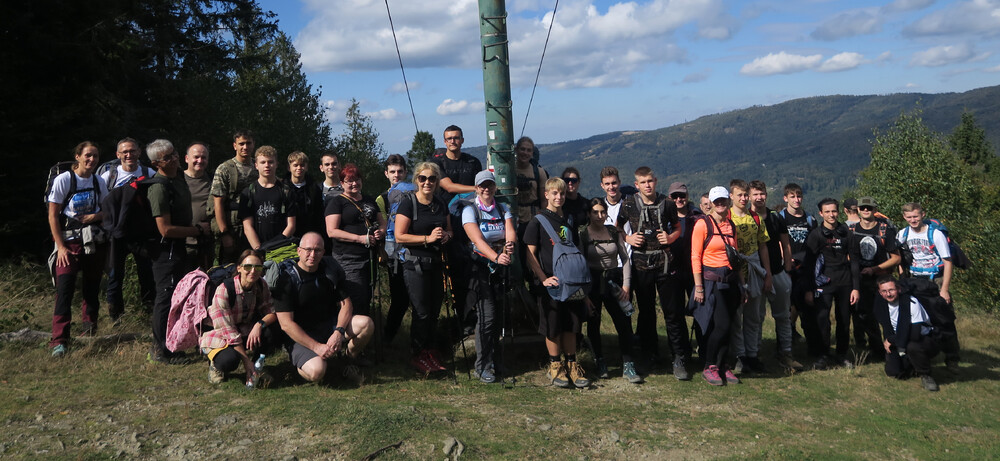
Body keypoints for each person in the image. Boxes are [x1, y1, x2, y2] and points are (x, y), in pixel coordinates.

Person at [616, 167, 689, 380]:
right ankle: (650, 353)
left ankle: (679, 357)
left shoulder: (667, 203)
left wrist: (672, 238)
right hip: (640, 265)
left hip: (665, 263)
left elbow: (677, 227)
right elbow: (617, 227)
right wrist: (628, 239)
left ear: (656, 181)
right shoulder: (629, 204)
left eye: (650, 181)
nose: (648, 185)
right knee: (646, 313)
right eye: (643, 182)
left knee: (672, 312)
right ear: (636, 184)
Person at [273, 232, 374, 383]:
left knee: (366, 324)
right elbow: (286, 324)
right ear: (299, 251)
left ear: (323, 252)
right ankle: (309, 362)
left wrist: (339, 332)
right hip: (302, 335)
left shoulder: (329, 271)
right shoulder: (286, 279)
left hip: (329, 327)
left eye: (317, 250)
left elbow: (346, 305)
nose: (312, 255)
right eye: (308, 250)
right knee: (317, 371)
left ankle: (347, 360)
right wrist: (316, 347)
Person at [146, 139, 212, 364]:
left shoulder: (177, 179)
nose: (174, 159)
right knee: (165, 297)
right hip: (165, 251)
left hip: (180, 248)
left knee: (179, 296)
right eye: (167, 157)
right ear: (156, 163)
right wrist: (195, 230)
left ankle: (175, 344)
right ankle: (161, 350)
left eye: (174, 154)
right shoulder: (158, 187)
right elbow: (164, 229)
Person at [524, 178, 592, 389]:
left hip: (572, 282)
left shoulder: (569, 221)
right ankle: (555, 365)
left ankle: (572, 363)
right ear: (546, 195)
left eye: (561, 194)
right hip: (551, 283)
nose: (558, 197)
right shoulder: (537, 221)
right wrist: (543, 278)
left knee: (572, 324)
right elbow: (529, 254)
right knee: (552, 326)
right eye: (554, 193)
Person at [46, 141, 110, 356]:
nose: (91, 160)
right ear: (77, 157)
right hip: (68, 243)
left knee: (92, 288)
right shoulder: (65, 180)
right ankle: (59, 340)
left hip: (93, 242)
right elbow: (53, 215)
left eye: (95, 156)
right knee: (64, 290)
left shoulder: (98, 180)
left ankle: (89, 331)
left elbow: (106, 211)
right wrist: (60, 247)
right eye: (88, 156)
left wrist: (95, 216)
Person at [394, 162, 453, 373]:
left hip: (436, 263)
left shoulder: (440, 203)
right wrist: (428, 238)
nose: (427, 182)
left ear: (437, 182)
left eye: (432, 179)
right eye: (423, 178)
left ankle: (429, 350)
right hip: (415, 264)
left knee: (435, 310)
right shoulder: (408, 203)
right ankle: (417, 353)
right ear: (416, 180)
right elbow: (400, 236)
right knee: (421, 312)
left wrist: (446, 236)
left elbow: (449, 231)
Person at [462, 170, 516, 383]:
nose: (486, 189)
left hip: (500, 268)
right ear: (476, 188)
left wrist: (509, 248)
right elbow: (477, 240)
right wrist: (496, 256)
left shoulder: (503, 208)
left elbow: (510, 232)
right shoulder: (470, 210)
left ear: (495, 188)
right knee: (487, 317)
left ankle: (494, 361)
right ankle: (482, 366)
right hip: (479, 270)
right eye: (482, 186)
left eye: (490, 185)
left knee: (499, 317)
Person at [580, 198, 641, 383]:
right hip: (593, 281)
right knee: (594, 322)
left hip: (614, 281)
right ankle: (599, 361)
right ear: (589, 214)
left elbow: (625, 257)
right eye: (595, 212)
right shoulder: (583, 234)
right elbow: (581, 265)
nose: (600, 216)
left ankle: (629, 364)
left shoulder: (613, 231)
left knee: (624, 323)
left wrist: (626, 285)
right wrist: (584, 295)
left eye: (603, 212)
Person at [430, 125, 482, 335]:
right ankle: (463, 319)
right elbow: (449, 187)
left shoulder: (472, 162)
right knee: (456, 274)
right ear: (444, 142)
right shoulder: (438, 162)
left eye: (456, 138)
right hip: (448, 224)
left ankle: (477, 315)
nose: (453, 141)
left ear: (462, 139)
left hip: (473, 222)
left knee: (476, 269)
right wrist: (477, 189)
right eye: (449, 138)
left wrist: (482, 190)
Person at [690, 186, 744, 386]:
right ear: (711, 203)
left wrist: (742, 284)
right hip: (712, 281)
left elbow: (736, 257)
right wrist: (699, 287)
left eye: (723, 201)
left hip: (731, 280)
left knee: (728, 326)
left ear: (728, 202)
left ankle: (723, 365)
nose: (721, 204)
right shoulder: (703, 224)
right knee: (720, 325)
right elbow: (695, 256)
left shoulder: (731, 226)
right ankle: (710, 365)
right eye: (717, 201)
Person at [896, 202, 960, 371]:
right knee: (920, 318)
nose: (913, 220)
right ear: (904, 217)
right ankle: (925, 353)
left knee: (944, 318)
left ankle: (952, 358)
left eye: (916, 216)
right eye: (909, 217)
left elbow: (947, 261)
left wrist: (944, 289)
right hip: (915, 279)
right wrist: (902, 278)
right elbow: (899, 257)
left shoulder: (935, 234)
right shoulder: (903, 234)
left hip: (935, 279)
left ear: (922, 214)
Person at [200, 249, 279, 385]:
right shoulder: (224, 290)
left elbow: (271, 312)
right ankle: (216, 365)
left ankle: (257, 368)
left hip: (243, 328)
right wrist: (246, 361)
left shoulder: (261, 284)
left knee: (272, 329)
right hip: (220, 333)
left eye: (258, 267)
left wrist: (259, 325)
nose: (253, 271)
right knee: (229, 361)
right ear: (239, 268)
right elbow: (228, 331)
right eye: (248, 267)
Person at [749, 181, 803, 371]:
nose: (759, 197)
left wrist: (787, 270)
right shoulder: (746, 218)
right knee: (756, 317)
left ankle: (785, 353)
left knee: (783, 316)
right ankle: (754, 354)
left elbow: (786, 244)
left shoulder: (775, 217)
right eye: (755, 194)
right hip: (755, 274)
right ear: (749, 196)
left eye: (762, 193)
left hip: (778, 272)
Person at [102, 137, 155, 323]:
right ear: (118, 155)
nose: (129, 155)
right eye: (124, 152)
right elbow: (103, 206)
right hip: (117, 235)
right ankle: (115, 317)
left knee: (147, 273)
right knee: (115, 274)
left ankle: (149, 313)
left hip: (142, 234)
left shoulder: (150, 173)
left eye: (132, 151)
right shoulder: (108, 177)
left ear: (139, 152)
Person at [804, 198, 860, 370]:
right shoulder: (816, 235)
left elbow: (855, 261)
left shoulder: (847, 233)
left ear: (839, 212)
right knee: (822, 319)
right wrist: (808, 289)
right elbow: (808, 264)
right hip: (824, 282)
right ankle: (823, 354)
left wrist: (856, 287)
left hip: (845, 282)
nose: (831, 215)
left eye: (834, 211)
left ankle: (841, 355)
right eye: (827, 212)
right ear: (821, 214)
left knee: (844, 319)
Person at [325, 163, 386, 316]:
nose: (354, 184)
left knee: (367, 295)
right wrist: (360, 238)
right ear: (342, 183)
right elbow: (332, 231)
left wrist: (381, 232)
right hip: (348, 259)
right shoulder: (336, 203)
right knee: (357, 298)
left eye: (357, 179)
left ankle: (364, 333)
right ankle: (353, 333)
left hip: (370, 257)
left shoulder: (369, 199)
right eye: (349, 181)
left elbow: (383, 222)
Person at [728, 179, 772, 375]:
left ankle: (753, 355)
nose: (744, 199)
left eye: (746, 195)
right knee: (736, 317)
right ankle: (740, 355)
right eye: (740, 195)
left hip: (754, 269)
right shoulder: (726, 217)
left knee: (753, 316)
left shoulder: (755, 218)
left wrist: (767, 273)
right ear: (732, 196)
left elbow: (763, 246)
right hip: (734, 272)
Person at [848, 196, 900, 361]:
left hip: (881, 279)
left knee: (886, 315)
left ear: (875, 210)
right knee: (866, 315)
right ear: (858, 210)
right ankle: (877, 350)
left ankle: (891, 347)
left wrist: (875, 269)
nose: (865, 210)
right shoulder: (852, 230)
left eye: (868, 208)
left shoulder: (885, 230)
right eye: (862, 208)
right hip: (860, 280)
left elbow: (896, 258)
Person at [873, 277, 940, 391]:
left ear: (898, 289)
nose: (888, 294)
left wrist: (892, 340)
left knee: (913, 346)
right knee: (893, 372)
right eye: (884, 291)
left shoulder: (911, 303)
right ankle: (911, 364)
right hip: (899, 337)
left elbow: (915, 334)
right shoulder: (880, 304)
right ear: (880, 292)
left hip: (923, 339)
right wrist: (890, 340)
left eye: (891, 290)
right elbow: (886, 326)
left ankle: (926, 375)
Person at [376, 155, 414, 343]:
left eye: (400, 171)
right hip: (393, 253)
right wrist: (382, 253)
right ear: (386, 174)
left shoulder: (414, 194)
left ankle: (418, 340)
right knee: (399, 299)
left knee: (417, 298)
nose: (396, 175)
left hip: (414, 249)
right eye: (392, 172)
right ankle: (389, 337)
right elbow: (381, 227)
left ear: (406, 172)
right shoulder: (382, 199)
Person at [776, 183, 817, 342]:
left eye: (799, 196)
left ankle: (810, 339)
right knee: (788, 303)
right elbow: (778, 241)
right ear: (785, 198)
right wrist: (786, 259)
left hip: (805, 267)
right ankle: (787, 336)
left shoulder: (810, 219)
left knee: (804, 303)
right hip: (787, 266)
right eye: (792, 196)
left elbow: (814, 244)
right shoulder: (780, 218)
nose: (796, 199)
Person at [210, 130, 257, 264]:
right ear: (235, 145)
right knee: (229, 268)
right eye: (241, 143)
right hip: (233, 227)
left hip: (254, 226)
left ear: (254, 145)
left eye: (248, 143)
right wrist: (224, 233)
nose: (245, 147)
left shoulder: (259, 167)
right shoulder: (225, 169)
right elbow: (218, 204)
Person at [238, 145, 296, 250]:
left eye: (270, 162)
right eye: (263, 162)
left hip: (280, 249)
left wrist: (275, 248)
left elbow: (291, 225)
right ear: (256, 165)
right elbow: (247, 227)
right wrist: (259, 250)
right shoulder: (248, 193)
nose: (267, 165)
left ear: (276, 164)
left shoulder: (287, 191)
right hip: (254, 249)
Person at [183, 142, 213, 270]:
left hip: (205, 243)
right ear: (186, 158)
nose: (200, 161)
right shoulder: (177, 179)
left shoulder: (213, 180)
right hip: (182, 243)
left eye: (203, 157)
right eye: (196, 157)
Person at [287, 151, 324, 238]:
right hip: (287, 234)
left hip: (309, 233)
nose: (299, 168)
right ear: (289, 168)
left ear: (307, 167)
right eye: (295, 165)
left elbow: (319, 215)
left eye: (302, 165)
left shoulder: (314, 189)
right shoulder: (283, 188)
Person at [561, 167, 588, 231]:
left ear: (579, 182)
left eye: (574, 180)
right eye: (567, 180)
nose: (570, 183)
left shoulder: (586, 204)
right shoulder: (560, 204)